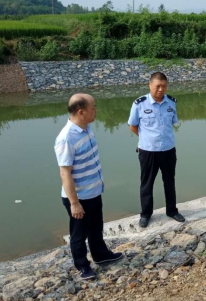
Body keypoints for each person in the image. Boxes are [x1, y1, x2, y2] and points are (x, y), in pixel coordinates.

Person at [55, 93, 122, 280]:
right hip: (79, 197)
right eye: (93, 108)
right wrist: (74, 203)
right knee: (79, 234)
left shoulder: (86, 128)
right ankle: (82, 266)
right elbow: (65, 173)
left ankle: (101, 255)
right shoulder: (66, 138)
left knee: (96, 227)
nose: (96, 110)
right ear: (81, 112)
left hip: (93, 191)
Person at [128, 72, 185, 228]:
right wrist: (146, 138)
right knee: (147, 184)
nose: (161, 89)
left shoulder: (171, 102)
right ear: (150, 85)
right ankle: (146, 214)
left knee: (170, 181)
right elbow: (132, 126)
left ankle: (172, 211)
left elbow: (172, 122)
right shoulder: (139, 104)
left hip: (168, 150)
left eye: (164, 86)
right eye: (157, 86)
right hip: (148, 151)